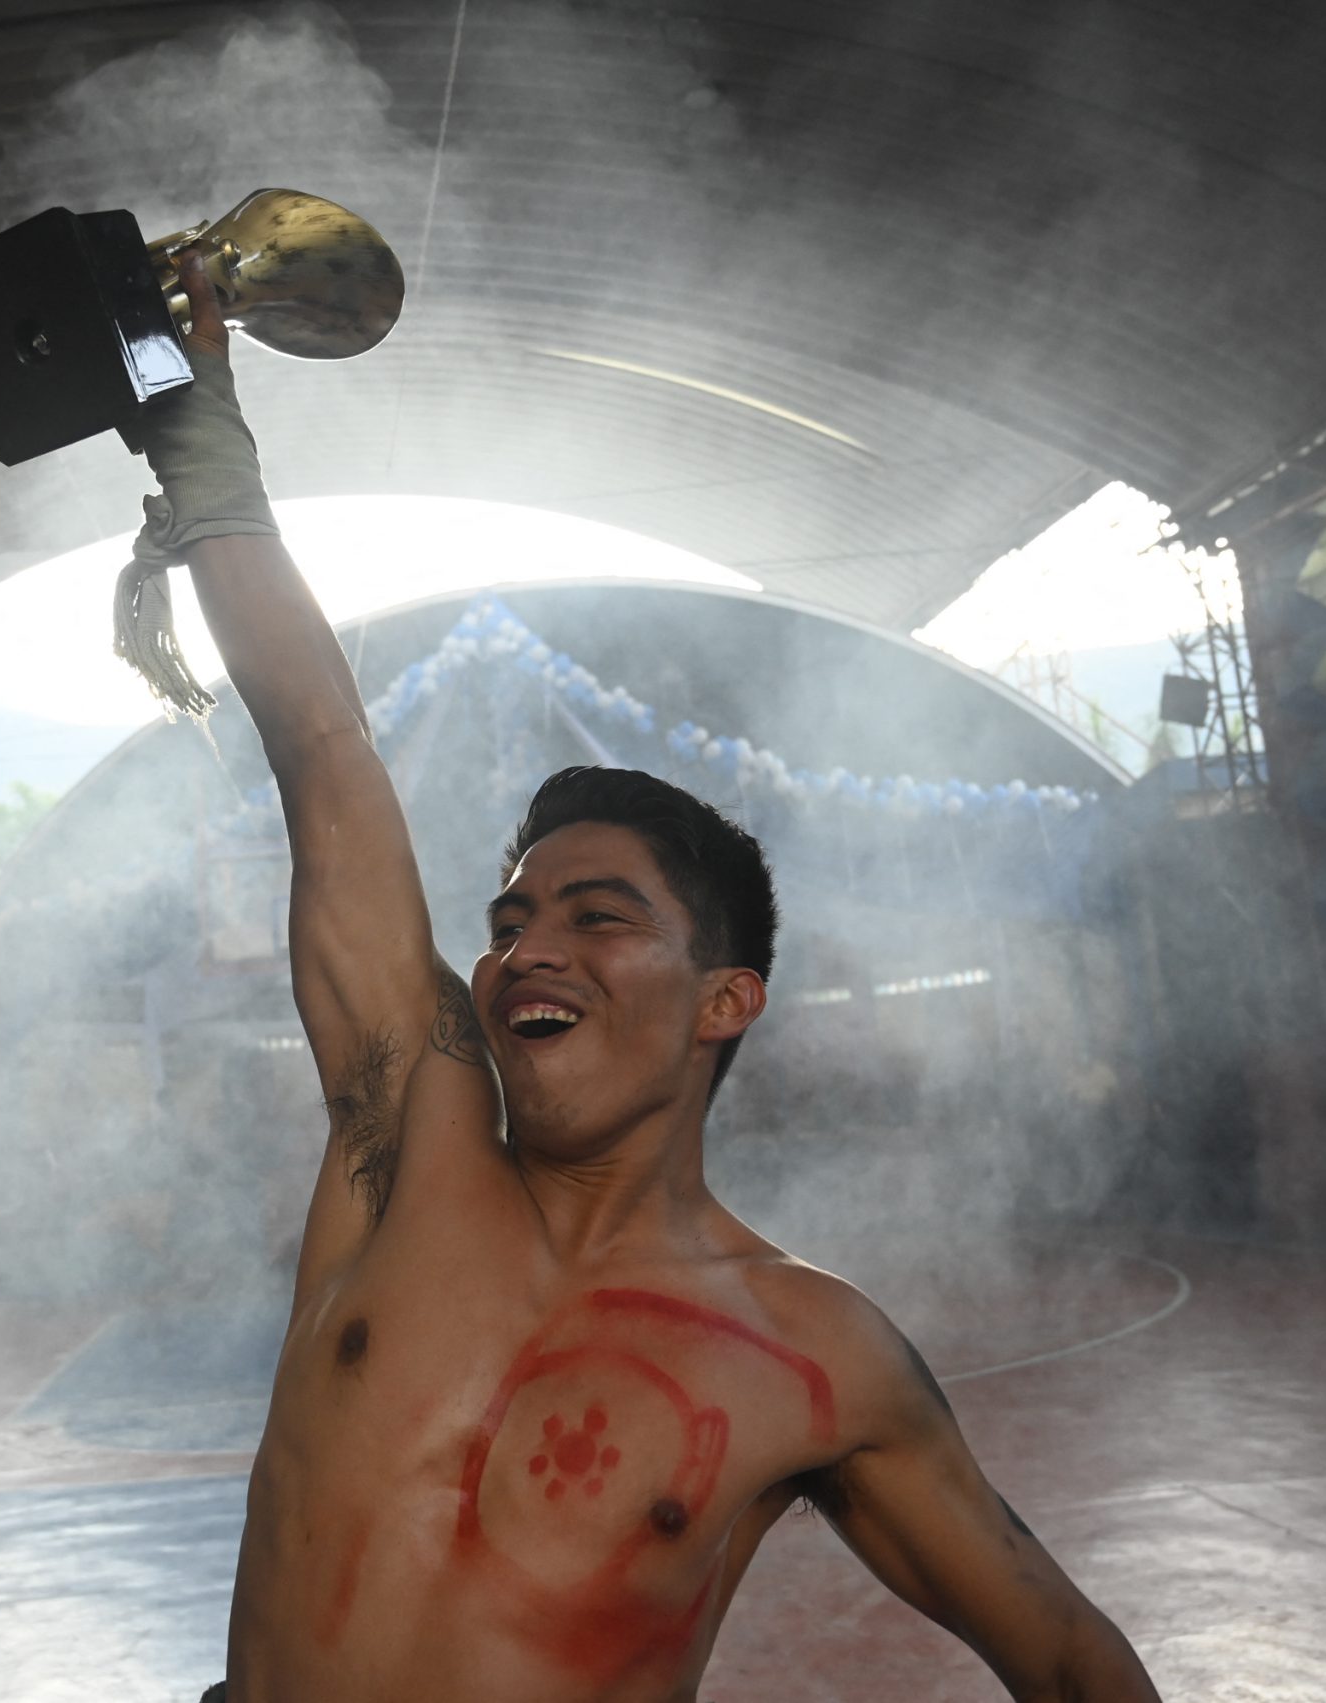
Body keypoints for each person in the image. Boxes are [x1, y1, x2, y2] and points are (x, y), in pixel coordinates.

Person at [150, 258, 1156, 1703]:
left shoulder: (816, 1353)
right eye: (510, 916)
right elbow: (321, 743)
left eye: (596, 913)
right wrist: (199, 438)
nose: (524, 947)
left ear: (723, 998)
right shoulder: (405, 1144)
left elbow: (1063, 1650)